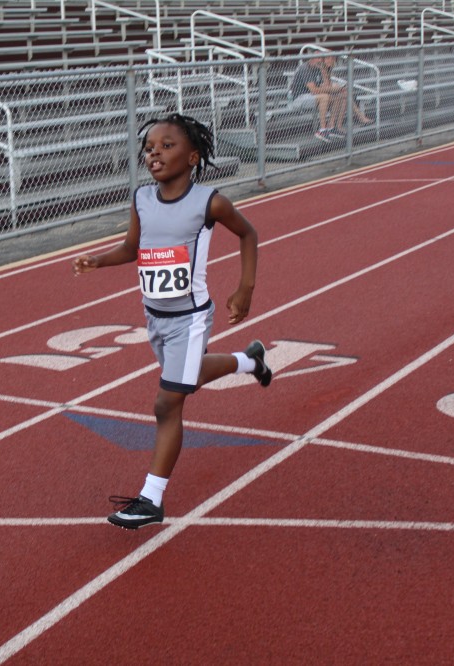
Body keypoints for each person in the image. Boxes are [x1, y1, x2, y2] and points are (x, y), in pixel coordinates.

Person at [72, 114, 272, 529]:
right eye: (149, 148)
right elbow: (132, 247)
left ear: (193, 157)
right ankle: (251, 360)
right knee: (189, 378)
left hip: (190, 318)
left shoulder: (209, 202)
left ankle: (151, 499)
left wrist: (245, 288)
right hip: (155, 317)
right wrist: (99, 260)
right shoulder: (142, 199)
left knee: (167, 404)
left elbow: (248, 234)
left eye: (166, 146)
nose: (155, 154)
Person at [319, 55, 373, 136]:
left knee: (344, 96)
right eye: (327, 58)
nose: (330, 60)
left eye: (332, 58)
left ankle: (337, 126)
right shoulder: (320, 69)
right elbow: (322, 87)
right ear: (323, 60)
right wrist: (336, 88)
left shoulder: (329, 69)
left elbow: (329, 85)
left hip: (329, 93)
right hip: (321, 96)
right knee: (343, 94)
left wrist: (339, 88)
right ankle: (361, 118)